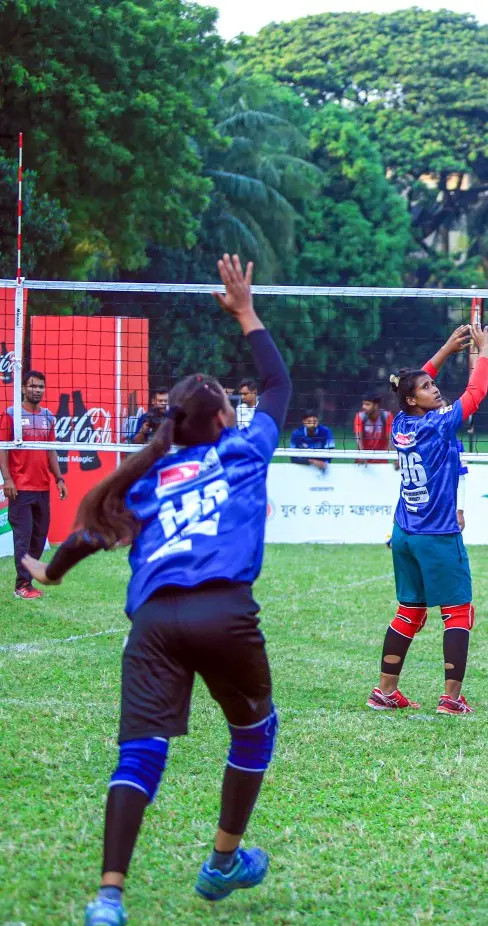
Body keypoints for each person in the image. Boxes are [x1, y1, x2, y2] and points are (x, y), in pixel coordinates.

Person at [21, 255, 288, 926]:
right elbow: (278, 383)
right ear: (223, 418)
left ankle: (109, 897)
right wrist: (246, 312)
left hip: (153, 622)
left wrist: (51, 571)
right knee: (254, 731)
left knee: (141, 754)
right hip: (224, 612)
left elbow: (90, 533)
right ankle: (222, 862)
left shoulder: (146, 479)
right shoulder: (244, 451)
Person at [368, 321, 488, 717]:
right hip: (436, 534)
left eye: (432, 384)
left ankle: (385, 692)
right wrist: (484, 351)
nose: (433, 388)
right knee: (458, 613)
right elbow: (477, 392)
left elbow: (407, 385)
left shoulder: (400, 424)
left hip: (404, 532)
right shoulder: (438, 424)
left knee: (410, 611)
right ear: (412, 400)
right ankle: (451, 699)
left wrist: (445, 350)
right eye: (426, 388)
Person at [0, 370, 66, 599]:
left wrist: (59, 478)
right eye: (32, 386)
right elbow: (3, 448)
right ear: (23, 388)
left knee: (38, 538)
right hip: (20, 488)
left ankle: (27, 582)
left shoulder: (48, 416)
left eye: (40, 387)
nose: (37, 390)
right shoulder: (11, 414)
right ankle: (21, 586)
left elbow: (51, 451)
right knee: (24, 538)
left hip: (42, 488)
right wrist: (8, 479)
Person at [354, 392, 394, 463]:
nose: (363, 407)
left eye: (367, 404)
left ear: (376, 405)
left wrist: (396, 458)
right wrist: (362, 456)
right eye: (363, 404)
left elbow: (390, 439)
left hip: (381, 461)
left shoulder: (387, 416)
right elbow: (358, 439)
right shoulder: (360, 416)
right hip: (363, 461)